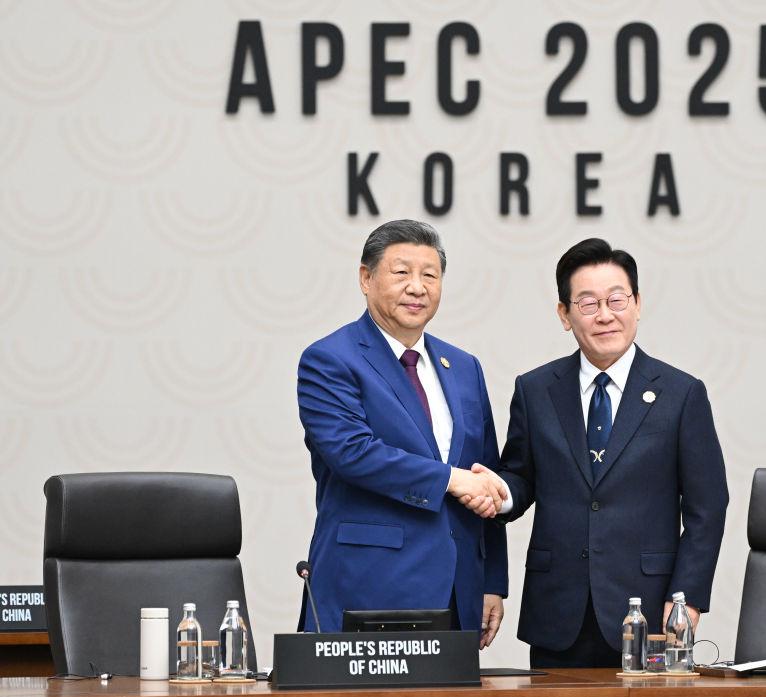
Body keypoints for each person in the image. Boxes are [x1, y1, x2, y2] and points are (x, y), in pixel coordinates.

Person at [495, 238, 729, 667]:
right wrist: (497, 493)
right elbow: (520, 477)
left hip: (649, 610)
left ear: (637, 304)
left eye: (617, 300)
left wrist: (687, 599)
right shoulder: (535, 390)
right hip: (558, 612)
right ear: (564, 314)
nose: (605, 315)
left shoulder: (681, 394)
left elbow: (707, 507)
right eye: (588, 303)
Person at [297, 219, 508, 647]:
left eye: (430, 275)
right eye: (401, 273)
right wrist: (450, 479)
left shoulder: (463, 367)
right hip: (369, 585)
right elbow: (353, 452)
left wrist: (492, 582)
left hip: (457, 591)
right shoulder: (330, 359)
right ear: (366, 278)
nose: (417, 287)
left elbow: (484, 475)